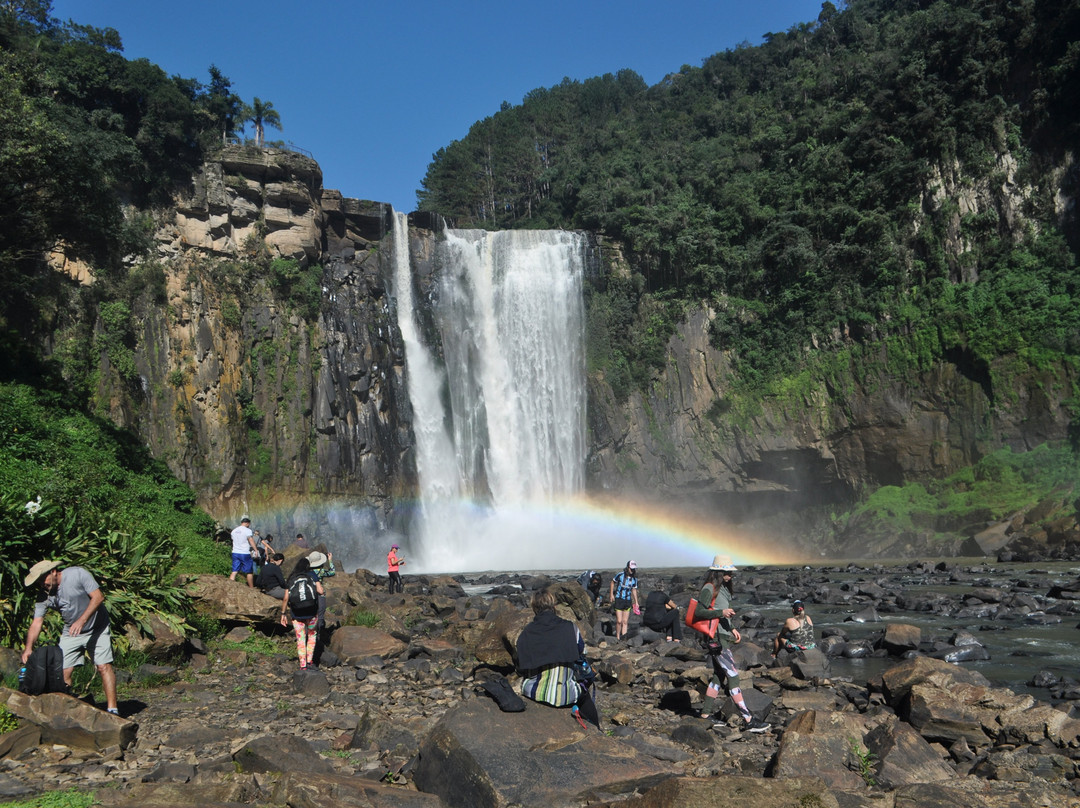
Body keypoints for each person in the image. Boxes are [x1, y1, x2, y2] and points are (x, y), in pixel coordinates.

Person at [21, 560, 119, 715]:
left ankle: (113, 709)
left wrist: (82, 620)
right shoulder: (44, 596)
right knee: (62, 673)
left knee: (103, 666)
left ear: (53, 572)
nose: (41, 584)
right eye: (38, 581)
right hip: (71, 632)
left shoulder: (77, 574)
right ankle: (67, 711)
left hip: (97, 627)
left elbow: (98, 597)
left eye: (42, 579)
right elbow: (37, 623)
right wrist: (28, 648)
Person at [693, 555, 769, 733]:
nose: (730, 576)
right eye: (727, 573)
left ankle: (705, 714)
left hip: (723, 635)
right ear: (718, 572)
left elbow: (720, 614)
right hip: (716, 638)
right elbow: (699, 611)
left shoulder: (722, 589)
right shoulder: (709, 588)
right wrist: (722, 612)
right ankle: (748, 719)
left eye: (730, 573)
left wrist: (732, 627)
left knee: (719, 676)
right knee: (733, 676)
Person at [516, 587, 599, 727]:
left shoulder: (527, 632)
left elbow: (521, 665)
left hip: (534, 692)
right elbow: (581, 655)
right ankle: (596, 727)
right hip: (567, 695)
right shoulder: (570, 628)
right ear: (554, 606)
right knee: (585, 692)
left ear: (534, 608)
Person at [280, 557, 323, 670]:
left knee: (300, 638)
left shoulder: (291, 578)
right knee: (312, 635)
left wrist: (283, 613)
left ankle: (302, 665)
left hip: (297, 613)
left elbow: (285, 598)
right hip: (311, 611)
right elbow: (320, 591)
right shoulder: (312, 575)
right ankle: (310, 661)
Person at [608, 560, 639, 641]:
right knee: (619, 621)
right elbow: (612, 582)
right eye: (631, 569)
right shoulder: (620, 575)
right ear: (627, 567)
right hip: (619, 599)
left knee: (625, 621)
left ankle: (624, 638)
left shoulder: (634, 579)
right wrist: (611, 594)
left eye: (633, 569)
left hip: (628, 600)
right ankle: (618, 637)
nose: (632, 571)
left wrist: (636, 602)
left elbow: (634, 590)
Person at [307, 550, 336, 626]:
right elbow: (332, 572)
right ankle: (319, 630)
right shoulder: (321, 571)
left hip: (309, 593)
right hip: (319, 593)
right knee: (320, 613)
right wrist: (330, 560)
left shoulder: (307, 571)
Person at [229, 517, 258, 587]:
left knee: (234, 571)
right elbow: (250, 540)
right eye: (249, 524)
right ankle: (251, 588)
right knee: (249, 571)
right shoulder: (247, 530)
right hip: (244, 553)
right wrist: (256, 550)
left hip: (235, 552)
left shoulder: (234, 531)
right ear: (247, 523)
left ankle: (230, 585)